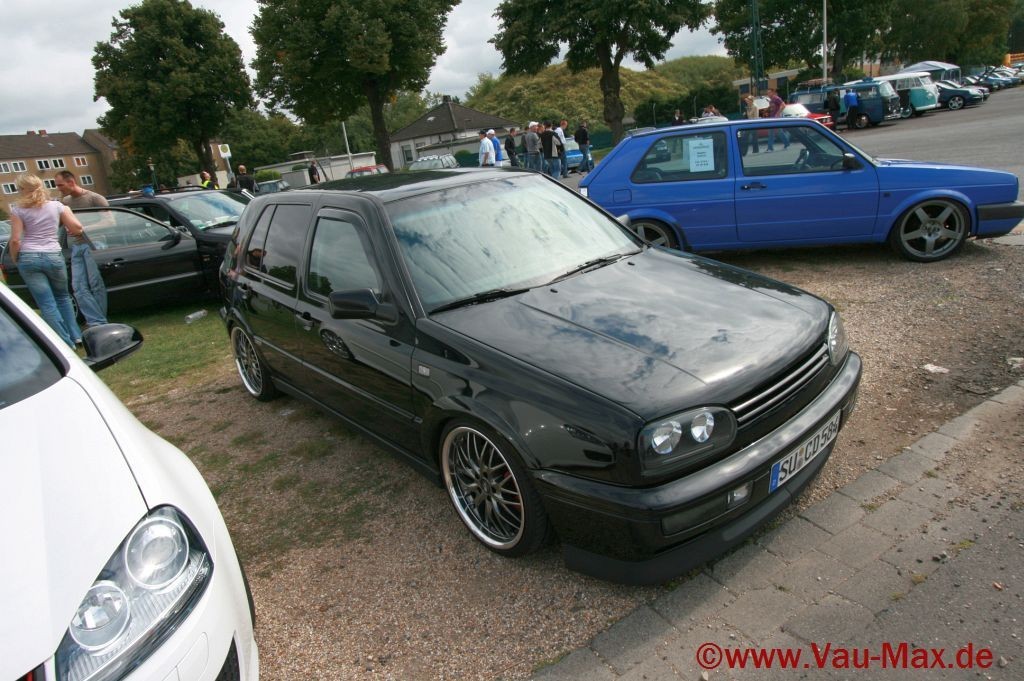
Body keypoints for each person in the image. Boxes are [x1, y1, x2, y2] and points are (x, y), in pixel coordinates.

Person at [7, 174, 84, 348]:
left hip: (29, 256)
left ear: (23, 190)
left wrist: (15, 258)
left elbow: (15, 240)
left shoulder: (18, 210)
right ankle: (76, 336)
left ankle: (64, 342)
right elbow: (77, 228)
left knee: (46, 302)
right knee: (63, 297)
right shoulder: (57, 206)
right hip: (53, 254)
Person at [54, 170, 108, 327]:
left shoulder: (95, 198)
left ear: (71, 182)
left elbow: (110, 222)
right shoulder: (65, 202)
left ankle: (99, 321)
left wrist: (83, 229)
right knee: (78, 286)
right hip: (75, 246)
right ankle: (95, 320)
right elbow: (59, 224)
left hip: (94, 244)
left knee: (95, 283)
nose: (58, 188)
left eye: (60, 185)